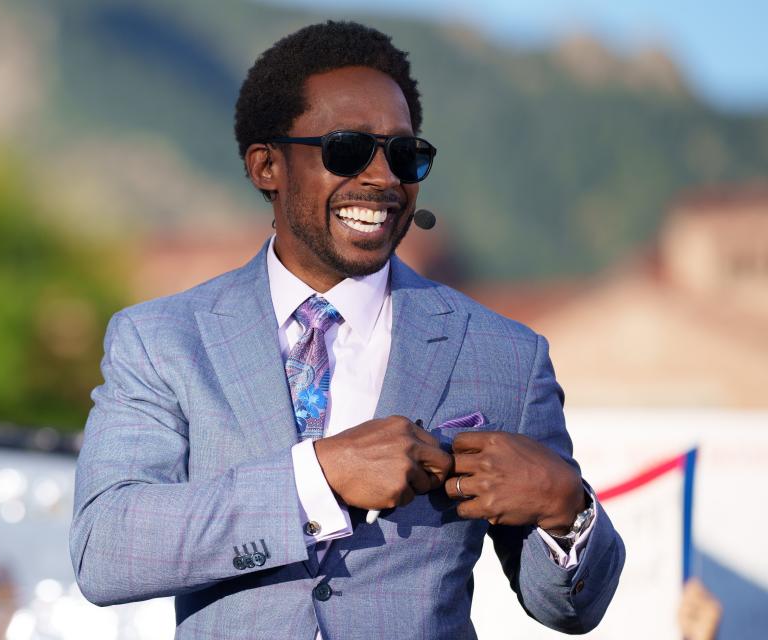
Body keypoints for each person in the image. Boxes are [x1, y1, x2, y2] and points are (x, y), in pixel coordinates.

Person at [70, 21, 624, 639]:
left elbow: (571, 609)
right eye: (347, 149)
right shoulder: (162, 340)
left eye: (405, 155)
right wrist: (319, 479)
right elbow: (106, 549)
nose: (383, 178)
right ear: (266, 166)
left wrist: (566, 509)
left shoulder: (506, 356)